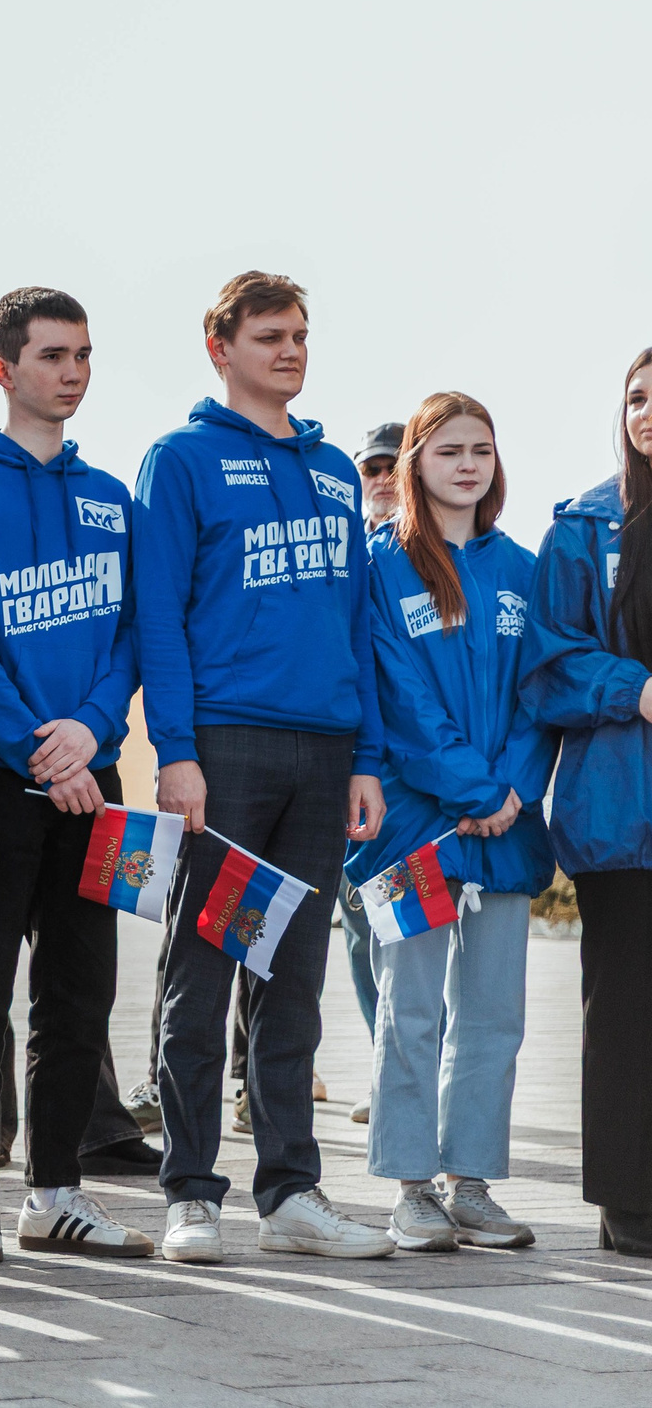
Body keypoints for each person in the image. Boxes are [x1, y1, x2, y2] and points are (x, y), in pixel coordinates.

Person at [135, 271, 391, 1264]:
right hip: (227, 749)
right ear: (221, 348)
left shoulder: (332, 469)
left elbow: (356, 622)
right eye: (270, 335)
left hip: (324, 752)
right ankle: (191, 1193)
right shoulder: (182, 459)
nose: (290, 350)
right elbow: (159, 614)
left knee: (292, 980)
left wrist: (365, 756)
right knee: (200, 973)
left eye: (300, 335)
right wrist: (177, 752)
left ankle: (290, 1191)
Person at [0, 288, 150, 1264]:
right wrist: (33, 748)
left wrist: (91, 731)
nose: (72, 372)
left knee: (79, 997)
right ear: (2, 369)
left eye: (83, 355)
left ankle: (54, 1193)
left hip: (95, 790)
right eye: (53, 355)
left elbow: (134, 633)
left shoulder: (111, 498)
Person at [357, 393, 551, 1252]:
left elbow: (538, 694)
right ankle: (410, 1185)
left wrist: (510, 790)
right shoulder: (383, 567)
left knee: (493, 1015)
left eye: (481, 449)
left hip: (508, 827)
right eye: (447, 451)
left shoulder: (523, 567)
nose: (467, 464)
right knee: (410, 1009)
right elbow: (399, 695)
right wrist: (471, 791)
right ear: (415, 466)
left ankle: (469, 1181)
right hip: (413, 825)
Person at [519, 347, 652, 1256]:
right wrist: (635, 689)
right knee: (627, 1011)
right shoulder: (582, 529)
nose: (648, 410)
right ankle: (628, 1202)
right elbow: (547, 664)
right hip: (623, 811)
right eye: (638, 395)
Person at [335, 419, 407, 1120]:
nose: (382, 478)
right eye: (372, 468)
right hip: (349, 768)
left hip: (416, 776)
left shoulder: (426, 551)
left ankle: (418, 1072)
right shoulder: (348, 547)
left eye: (394, 464)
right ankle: (386, 1066)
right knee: (360, 928)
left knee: (414, 931)